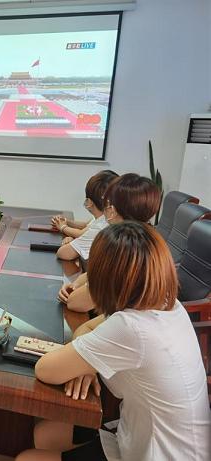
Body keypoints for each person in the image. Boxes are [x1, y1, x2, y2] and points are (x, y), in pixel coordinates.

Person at [15, 222, 210, 461]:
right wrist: (87, 363)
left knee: (27, 457)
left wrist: (85, 361)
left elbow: (46, 369)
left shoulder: (132, 328)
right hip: (137, 435)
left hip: (163, 454)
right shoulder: (165, 303)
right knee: (45, 433)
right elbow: (86, 328)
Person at [59, 173, 162, 312]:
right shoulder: (153, 239)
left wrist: (72, 291)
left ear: (112, 210)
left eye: (107, 203)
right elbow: (95, 275)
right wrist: (75, 284)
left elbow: (75, 303)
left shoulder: (119, 245)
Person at [55, 170, 118, 261]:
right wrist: (67, 221)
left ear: (89, 202)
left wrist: (63, 227)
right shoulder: (110, 218)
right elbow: (85, 226)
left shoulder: (102, 226)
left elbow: (63, 253)